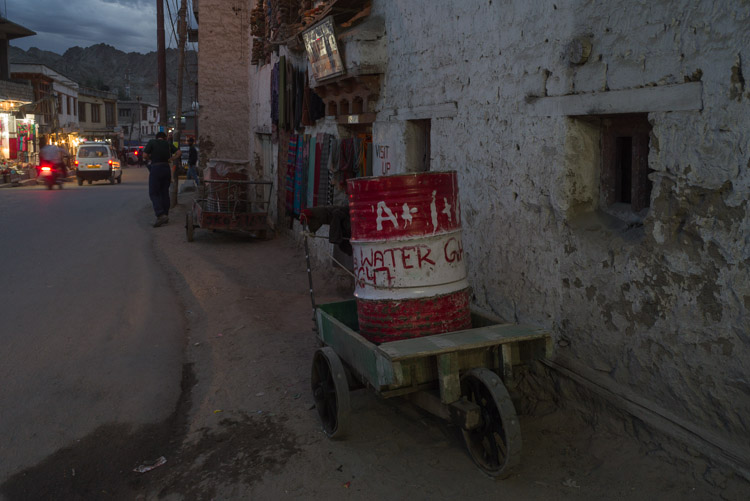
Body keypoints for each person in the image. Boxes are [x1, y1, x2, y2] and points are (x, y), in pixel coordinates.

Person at [143, 132, 181, 227]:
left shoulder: (152, 142)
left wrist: (150, 157)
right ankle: (166, 215)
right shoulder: (168, 144)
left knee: (154, 192)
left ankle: (160, 215)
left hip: (156, 168)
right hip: (166, 168)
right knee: (164, 192)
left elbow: (144, 155)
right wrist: (172, 158)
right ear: (164, 138)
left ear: (157, 138)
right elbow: (179, 152)